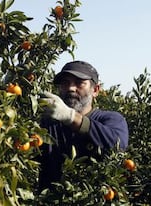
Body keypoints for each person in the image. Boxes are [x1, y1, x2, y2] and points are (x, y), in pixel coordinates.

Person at [37, 60, 129, 191]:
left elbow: (117, 144)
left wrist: (71, 117)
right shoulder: (49, 124)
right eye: (65, 83)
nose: (71, 88)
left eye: (79, 83)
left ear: (95, 90)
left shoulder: (110, 119)